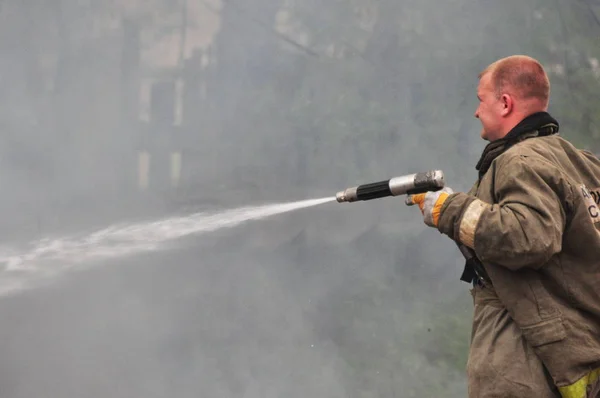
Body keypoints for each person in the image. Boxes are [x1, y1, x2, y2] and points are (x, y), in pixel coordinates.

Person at [407, 55, 600, 397]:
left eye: (481, 101)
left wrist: (448, 209)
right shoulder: (580, 162)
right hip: (580, 349)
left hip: (528, 362)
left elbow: (529, 237)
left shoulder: (519, 161)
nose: (476, 112)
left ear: (506, 103)